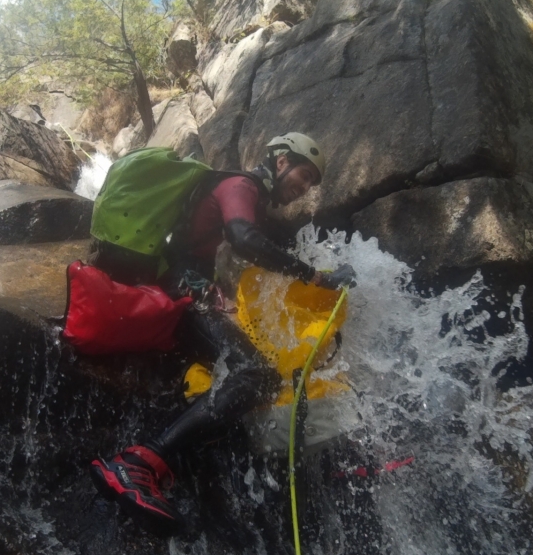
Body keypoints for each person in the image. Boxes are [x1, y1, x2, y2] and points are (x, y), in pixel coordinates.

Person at [89, 133, 356, 534]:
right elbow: (245, 239)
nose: (304, 188)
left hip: (187, 287)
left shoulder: (252, 200)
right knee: (257, 373)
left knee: (258, 368)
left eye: (312, 184)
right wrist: (317, 277)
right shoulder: (240, 186)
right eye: (304, 174)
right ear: (281, 161)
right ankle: (139, 463)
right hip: (181, 289)